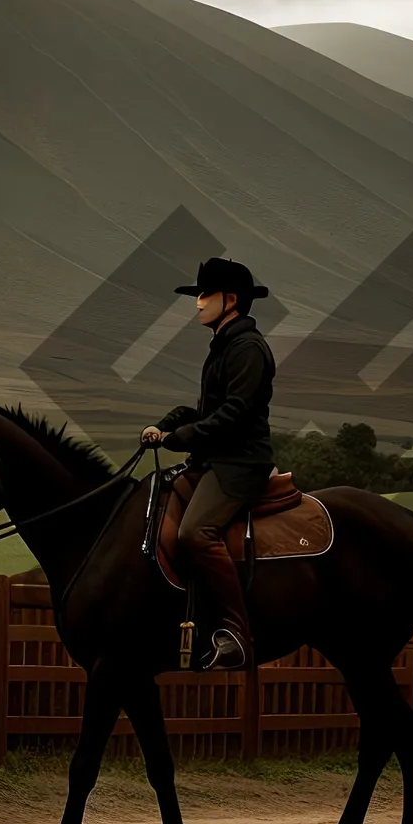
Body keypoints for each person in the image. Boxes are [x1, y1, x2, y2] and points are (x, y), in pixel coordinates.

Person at [140, 257, 276, 671]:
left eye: (204, 295)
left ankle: (236, 633)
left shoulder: (248, 349)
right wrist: (165, 427)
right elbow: (204, 411)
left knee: (196, 532)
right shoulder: (225, 345)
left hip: (240, 464)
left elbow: (233, 414)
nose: (197, 304)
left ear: (230, 300)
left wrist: (181, 438)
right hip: (218, 459)